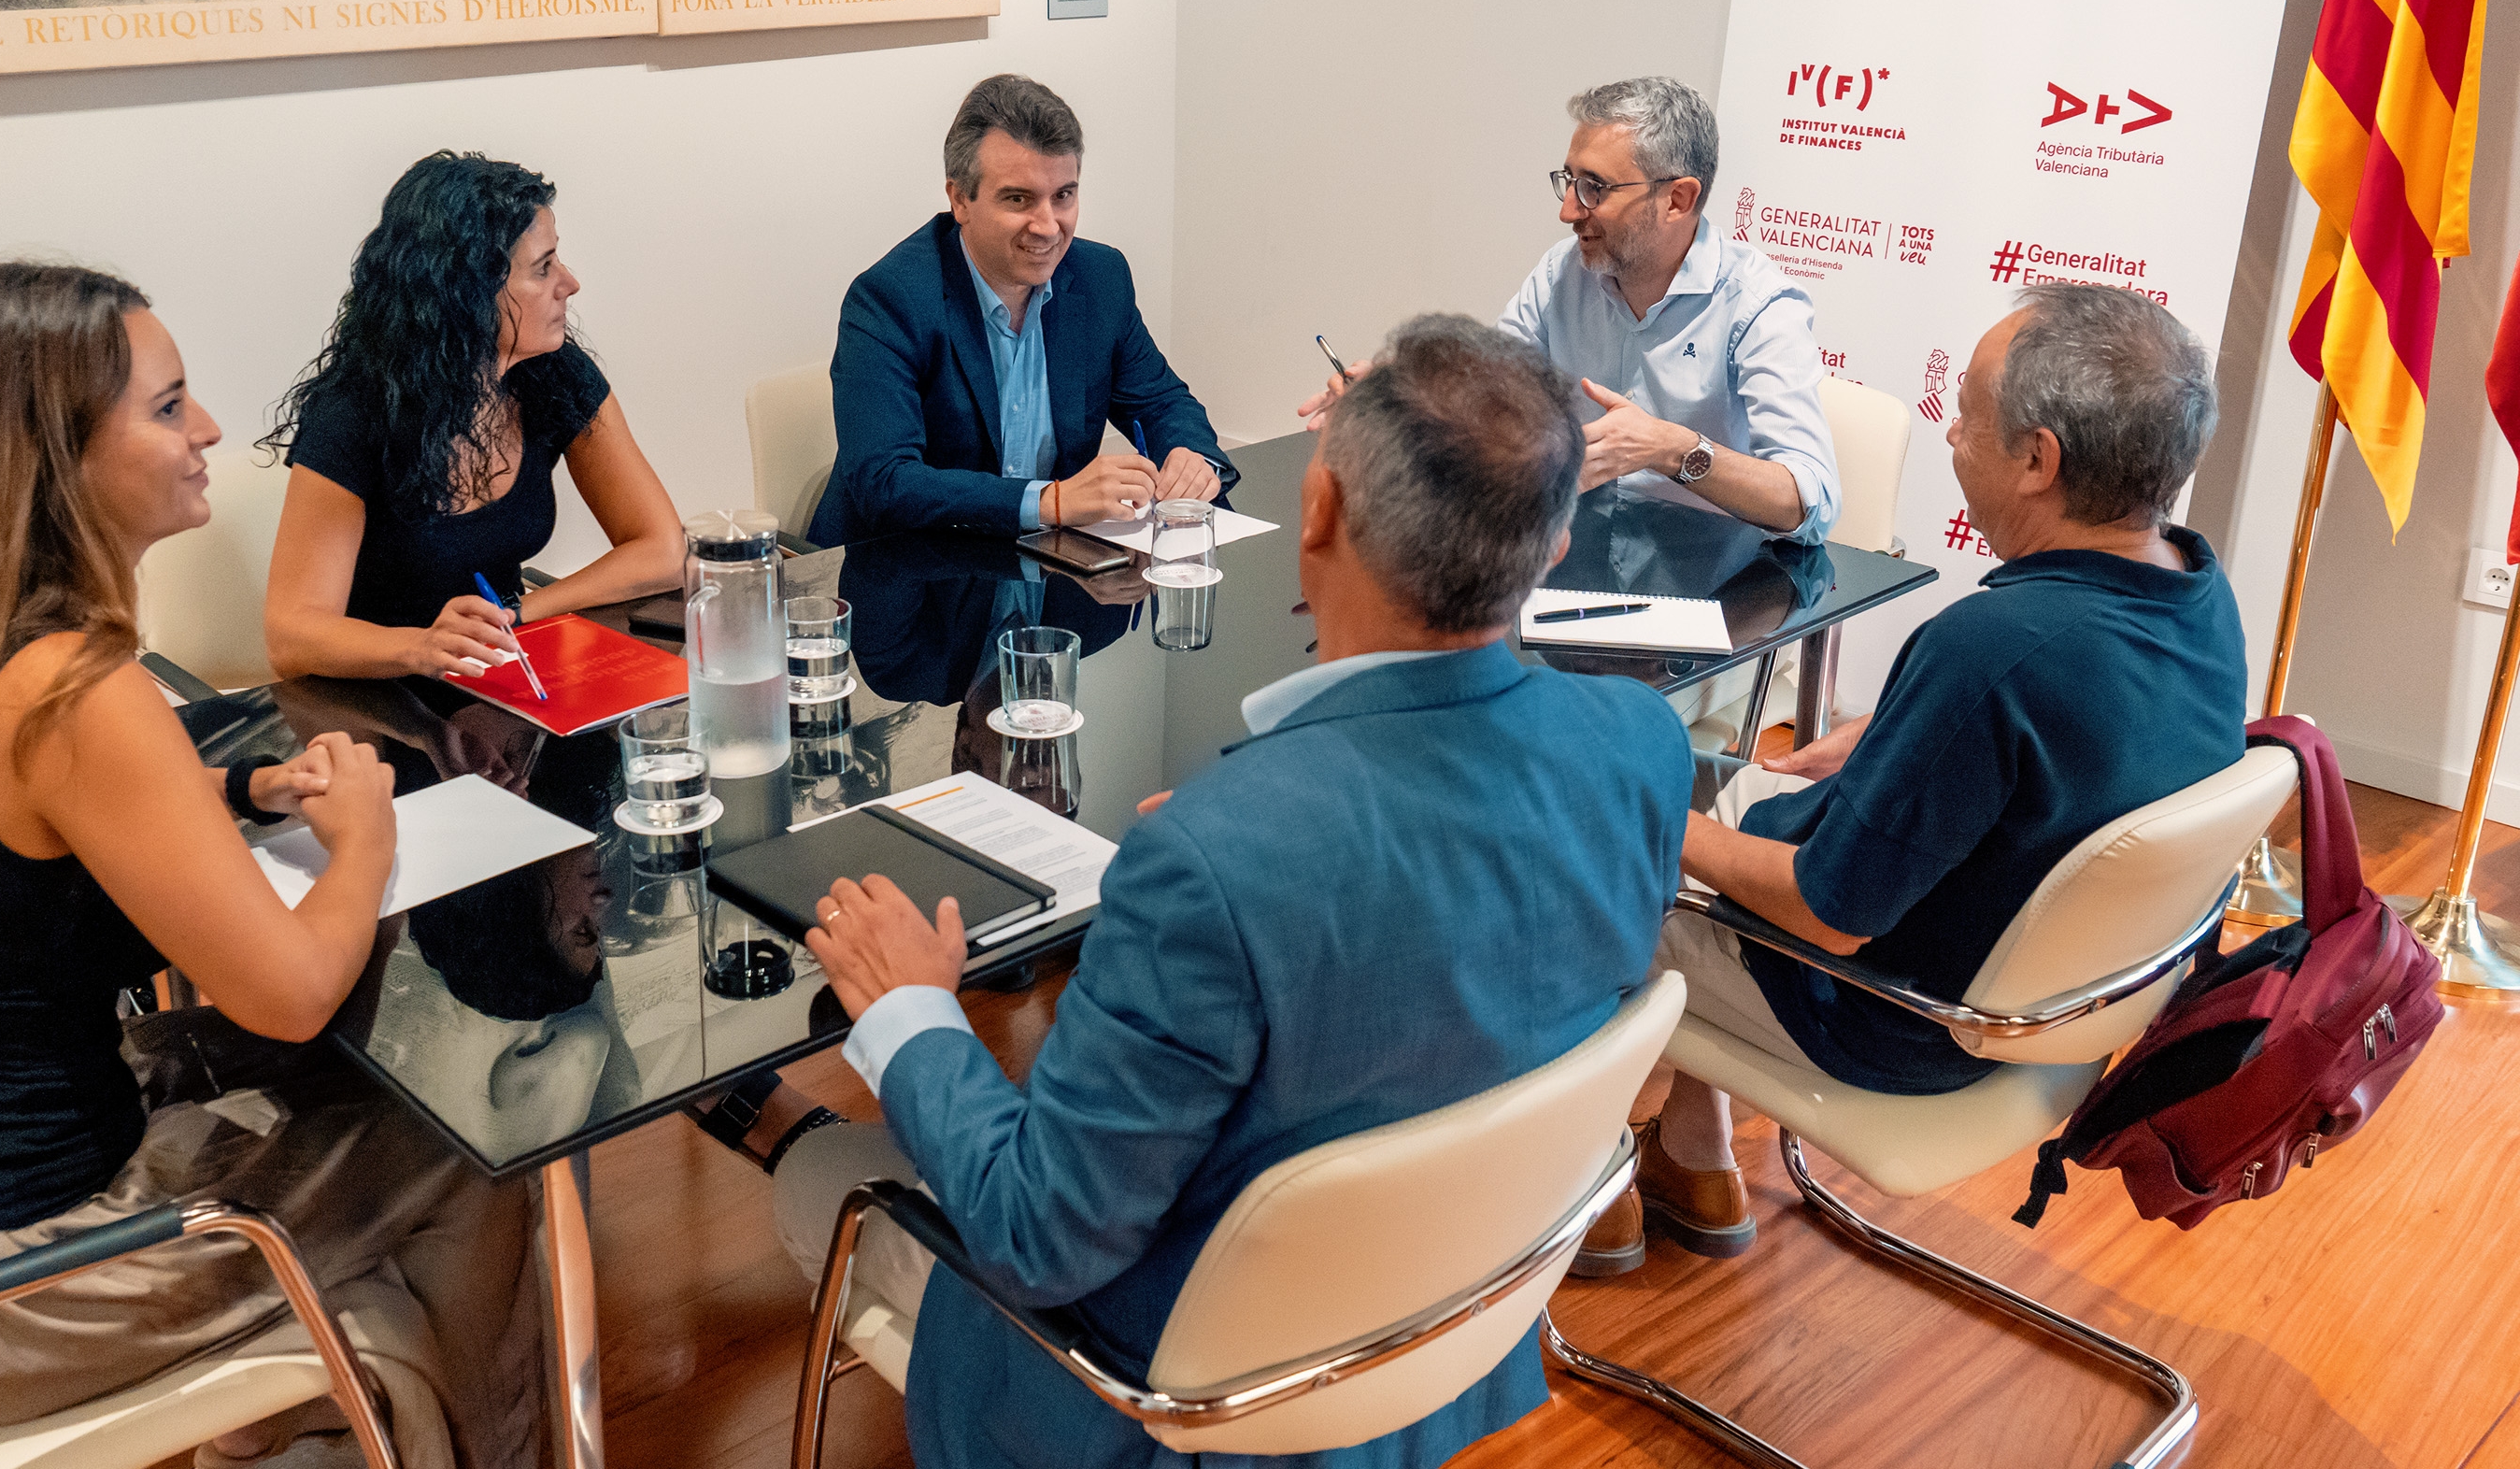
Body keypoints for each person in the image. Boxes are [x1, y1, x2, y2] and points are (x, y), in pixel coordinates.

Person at [780, 314, 1692, 1469]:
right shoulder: (1641, 744)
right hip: (1450, 1350)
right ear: (1554, 545)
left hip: (1171, 1405)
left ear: (1315, 514)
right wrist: (1227, 851)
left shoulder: (1217, 860)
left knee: (822, 1174)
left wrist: (911, 1006)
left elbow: (1033, 1235)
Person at [0, 262, 541, 1469]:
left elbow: (8, 831)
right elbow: (286, 986)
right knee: (471, 1136)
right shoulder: (76, 691)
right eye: (169, 407)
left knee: (313, 1083)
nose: (211, 429)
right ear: (53, 458)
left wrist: (234, 788)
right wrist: (364, 838)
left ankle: (318, 1415)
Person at [1578, 282, 2243, 1275]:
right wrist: (1900, 735)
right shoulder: (2194, 585)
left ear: (2038, 458)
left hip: (1887, 1015)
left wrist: (1648, 824)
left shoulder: (1993, 652)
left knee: (1581, 841)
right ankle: (1695, 1151)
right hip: (2065, 1007)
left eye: (1967, 412)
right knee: (1684, 770)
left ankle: (1585, 1178)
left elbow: (1826, 913)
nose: (1948, 430)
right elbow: (2085, 738)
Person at [1302, 76, 1837, 541]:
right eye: (1568, 181)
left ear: (1678, 199)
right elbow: (1491, 392)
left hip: (1711, 590)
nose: (1567, 210)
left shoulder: (1757, 306)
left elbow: (1809, 501)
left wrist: (1672, 450)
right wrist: (1398, 393)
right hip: (1570, 557)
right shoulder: (1565, 272)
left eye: (1593, 188)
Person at [264, 150, 686, 682]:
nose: (570, 283)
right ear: (469, 294)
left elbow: (662, 550)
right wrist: (421, 647)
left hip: (497, 670)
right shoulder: (354, 412)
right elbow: (292, 633)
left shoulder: (553, 373)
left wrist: (515, 615)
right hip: (381, 694)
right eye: (543, 268)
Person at [809, 74, 1235, 546]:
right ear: (959, 200)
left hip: (1046, 569)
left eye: (1064, 196)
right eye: (1019, 199)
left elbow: (1162, 401)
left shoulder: (1100, 278)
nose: (1048, 226)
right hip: (911, 580)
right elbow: (886, 483)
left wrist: (1191, 458)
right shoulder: (890, 299)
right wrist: (1050, 502)